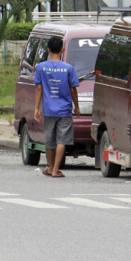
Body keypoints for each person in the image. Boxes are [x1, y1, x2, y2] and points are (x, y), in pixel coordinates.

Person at [34, 36, 80, 178]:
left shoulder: (41, 67)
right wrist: (76, 107)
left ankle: (50, 167)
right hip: (64, 111)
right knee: (62, 140)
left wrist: (36, 108)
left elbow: (39, 89)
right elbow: (73, 90)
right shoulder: (68, 68)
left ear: (48, 50)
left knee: (50, 139)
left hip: (48, 110)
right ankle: (55, 170)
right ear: (62, 50)